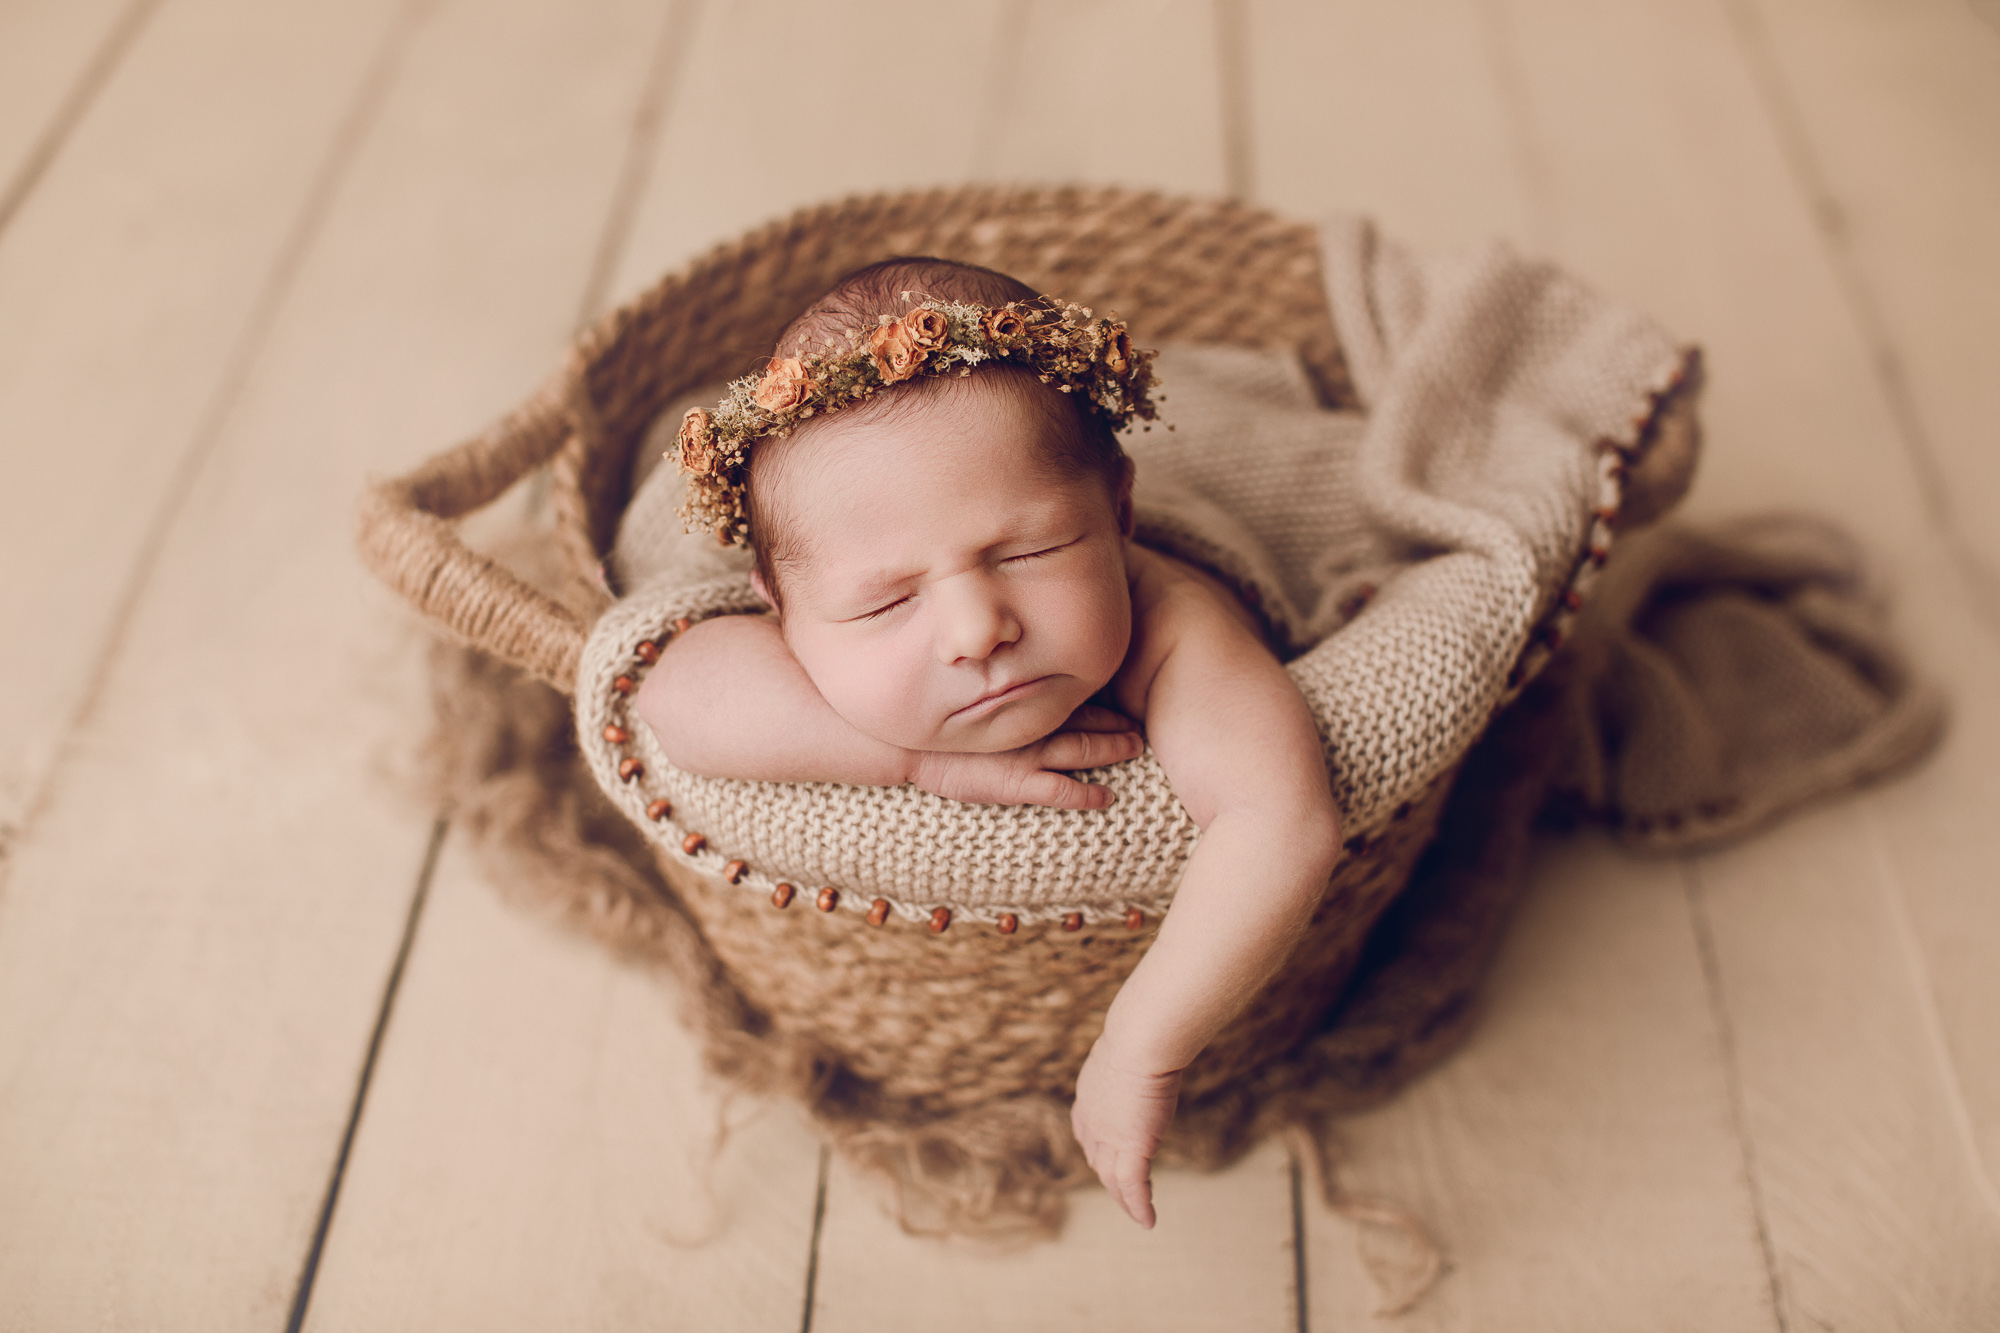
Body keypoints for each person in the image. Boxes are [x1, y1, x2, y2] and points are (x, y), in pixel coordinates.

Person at [637, 257, 1342, 1229]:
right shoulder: (776, 629)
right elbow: (667, 696)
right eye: (885, 600)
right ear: (781, 613)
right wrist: (914, 758)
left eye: (1028, 553)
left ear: (1119, 517)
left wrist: (1140, 1043)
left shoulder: (1171, 619)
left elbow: (1280, 817)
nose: (976, 628)